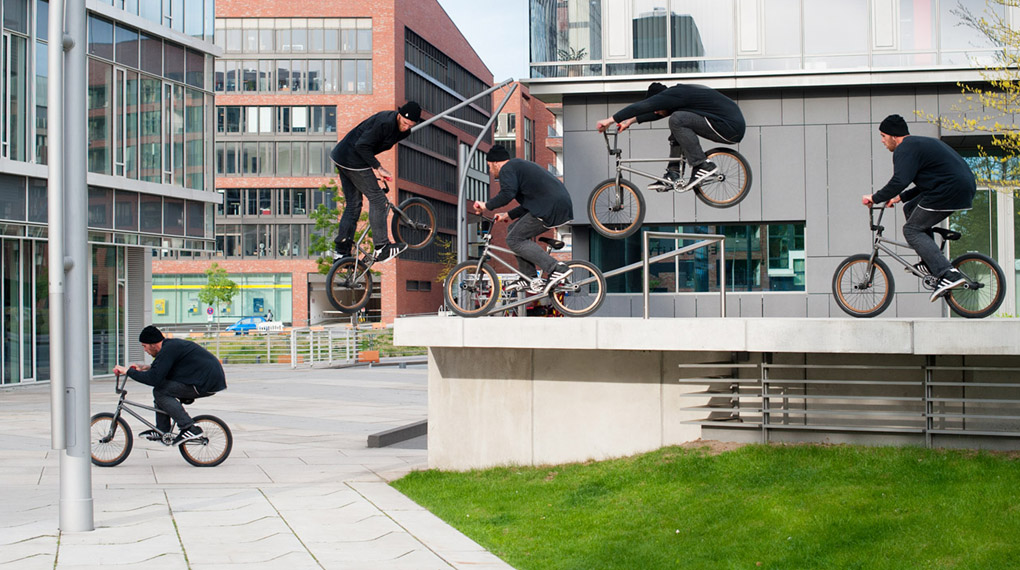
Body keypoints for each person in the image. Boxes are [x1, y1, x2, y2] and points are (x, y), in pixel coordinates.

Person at [862, 114, 977, 301]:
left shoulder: (904, 149)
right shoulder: (918, 145)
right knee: (910, 208)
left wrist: (875, 198)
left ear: (893, 135)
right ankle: (930, 262)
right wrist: (901, 196)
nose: (883, 141)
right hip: (957, 187)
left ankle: (948, 274)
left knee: (911, 230)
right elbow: (926, 183)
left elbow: (900, 180)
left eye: (883, 136)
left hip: (950, 189)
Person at [596, 82, 745, 191]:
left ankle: (702, 165)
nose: (655, 113)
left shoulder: (675, 95)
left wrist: (609, 120)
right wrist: (629, 121)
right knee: (678, 125)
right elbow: (657, 113)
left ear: (662, 100)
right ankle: (673, 174)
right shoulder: (677, 98)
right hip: (727, 124)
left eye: (656, 109)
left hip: (730, 127)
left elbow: (641, 107)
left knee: (677, 119)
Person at [472, 145, 573, 295]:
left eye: (489, 166)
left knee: (514, 239)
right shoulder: (518, 167)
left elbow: (507, 194)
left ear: (495, 163)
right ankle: (527, 277)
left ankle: (556, 268)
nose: (490, 171)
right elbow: (530, 202)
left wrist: (486, 205)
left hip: (551, 207)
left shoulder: (507, 169)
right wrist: (508, 215)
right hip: (554, 204)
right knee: (512, 230)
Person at [329, 101, 422, 263]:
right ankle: (382, 247)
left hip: (345, 157)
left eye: (410, 125)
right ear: (399, 115)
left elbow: (372, 147)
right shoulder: (384, 122)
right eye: (405, 123)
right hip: (352, 158)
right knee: (378, 200)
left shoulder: (404, 132)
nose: (406, 127)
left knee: (353, 204)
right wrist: (379, 168)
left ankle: (341, 253)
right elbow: (362, 146)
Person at [113, 326, 227, 445]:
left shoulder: (168, 349)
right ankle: (162, 430)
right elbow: (161, 369)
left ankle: (189, 428)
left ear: (153, 344)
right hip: (203, 379)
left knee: (160, 391)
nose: (145, 350)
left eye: (144, 346)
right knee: (161, 388)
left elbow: (154, 379)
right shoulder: (169, 347)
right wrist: (145, 368)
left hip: (206, 382)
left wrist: (128, 371)